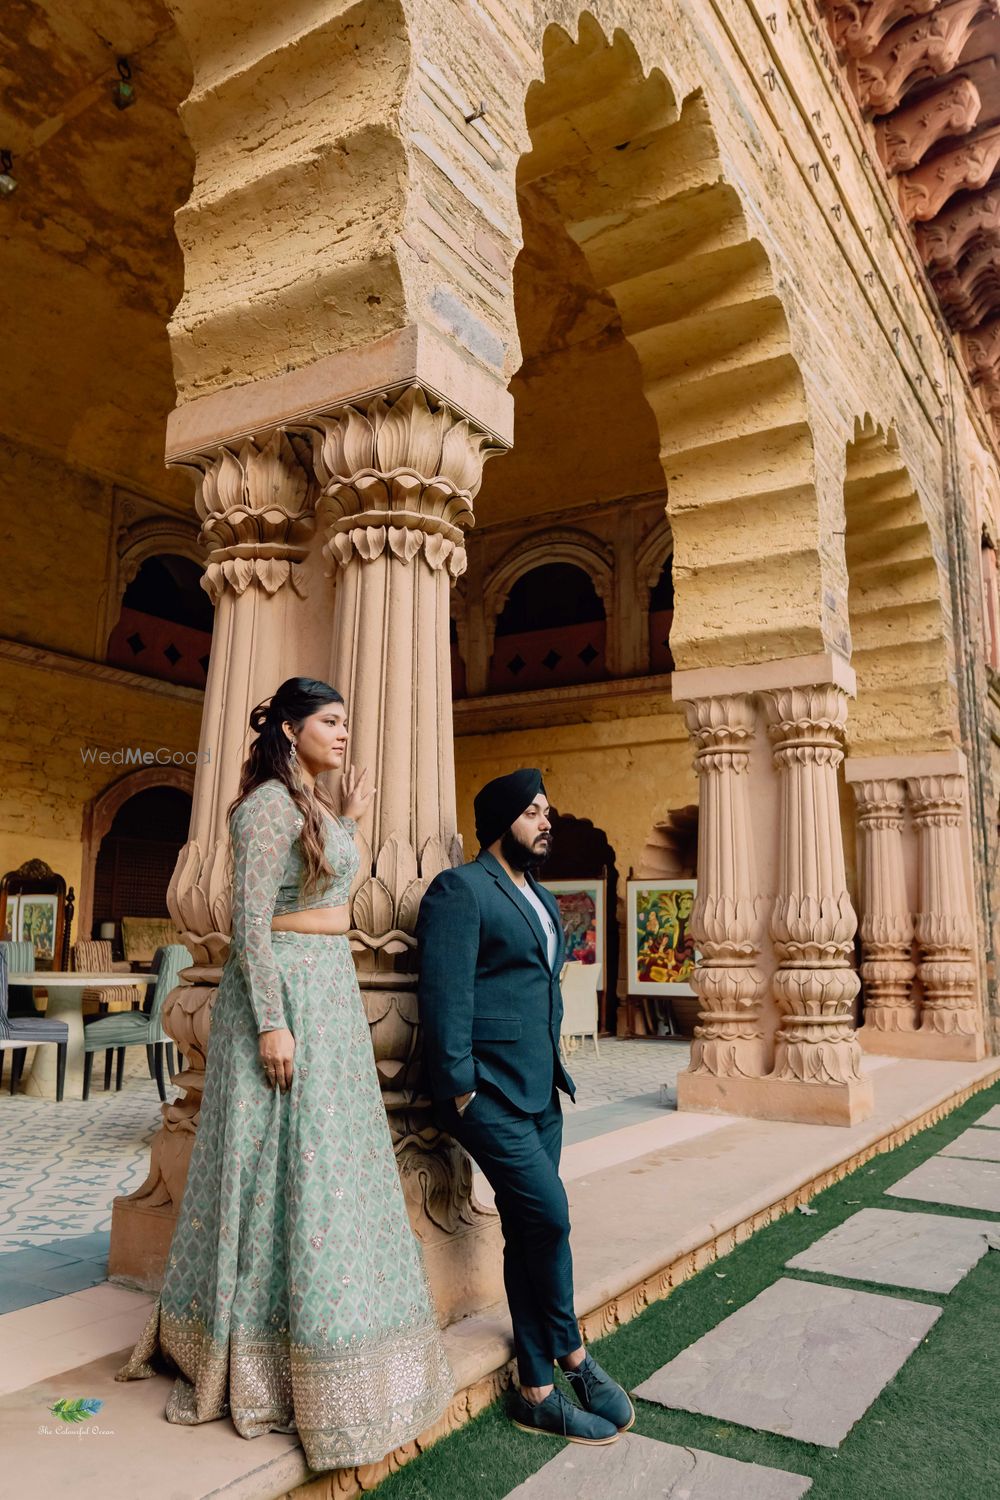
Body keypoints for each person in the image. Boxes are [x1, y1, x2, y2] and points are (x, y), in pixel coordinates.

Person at [117, 677, 453, 1471]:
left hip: (331, 989)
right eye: (331, 722)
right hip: (287, 996)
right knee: (277, 1168)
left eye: (346, 722)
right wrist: (272, 1021)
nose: (344, 733)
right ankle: (259, 1360)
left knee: (325, 1168)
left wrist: (353, 819)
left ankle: (335, 1346)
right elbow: (251, 925)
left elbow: (323, 886)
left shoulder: (311, 803)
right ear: (293, 727)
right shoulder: (266, 805)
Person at [416, 768, 633, 1446]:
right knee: (552, 1216)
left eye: (549, 809)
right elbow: (445, 992)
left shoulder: (538, 897)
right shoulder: (462, 890)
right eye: (534, 811)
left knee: (528, 1229)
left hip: (541, 1091)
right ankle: (574, 1355)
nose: (547, 821)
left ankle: (535, 1386)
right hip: (487, 1093)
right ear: (502, 820)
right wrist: (461, 1086)